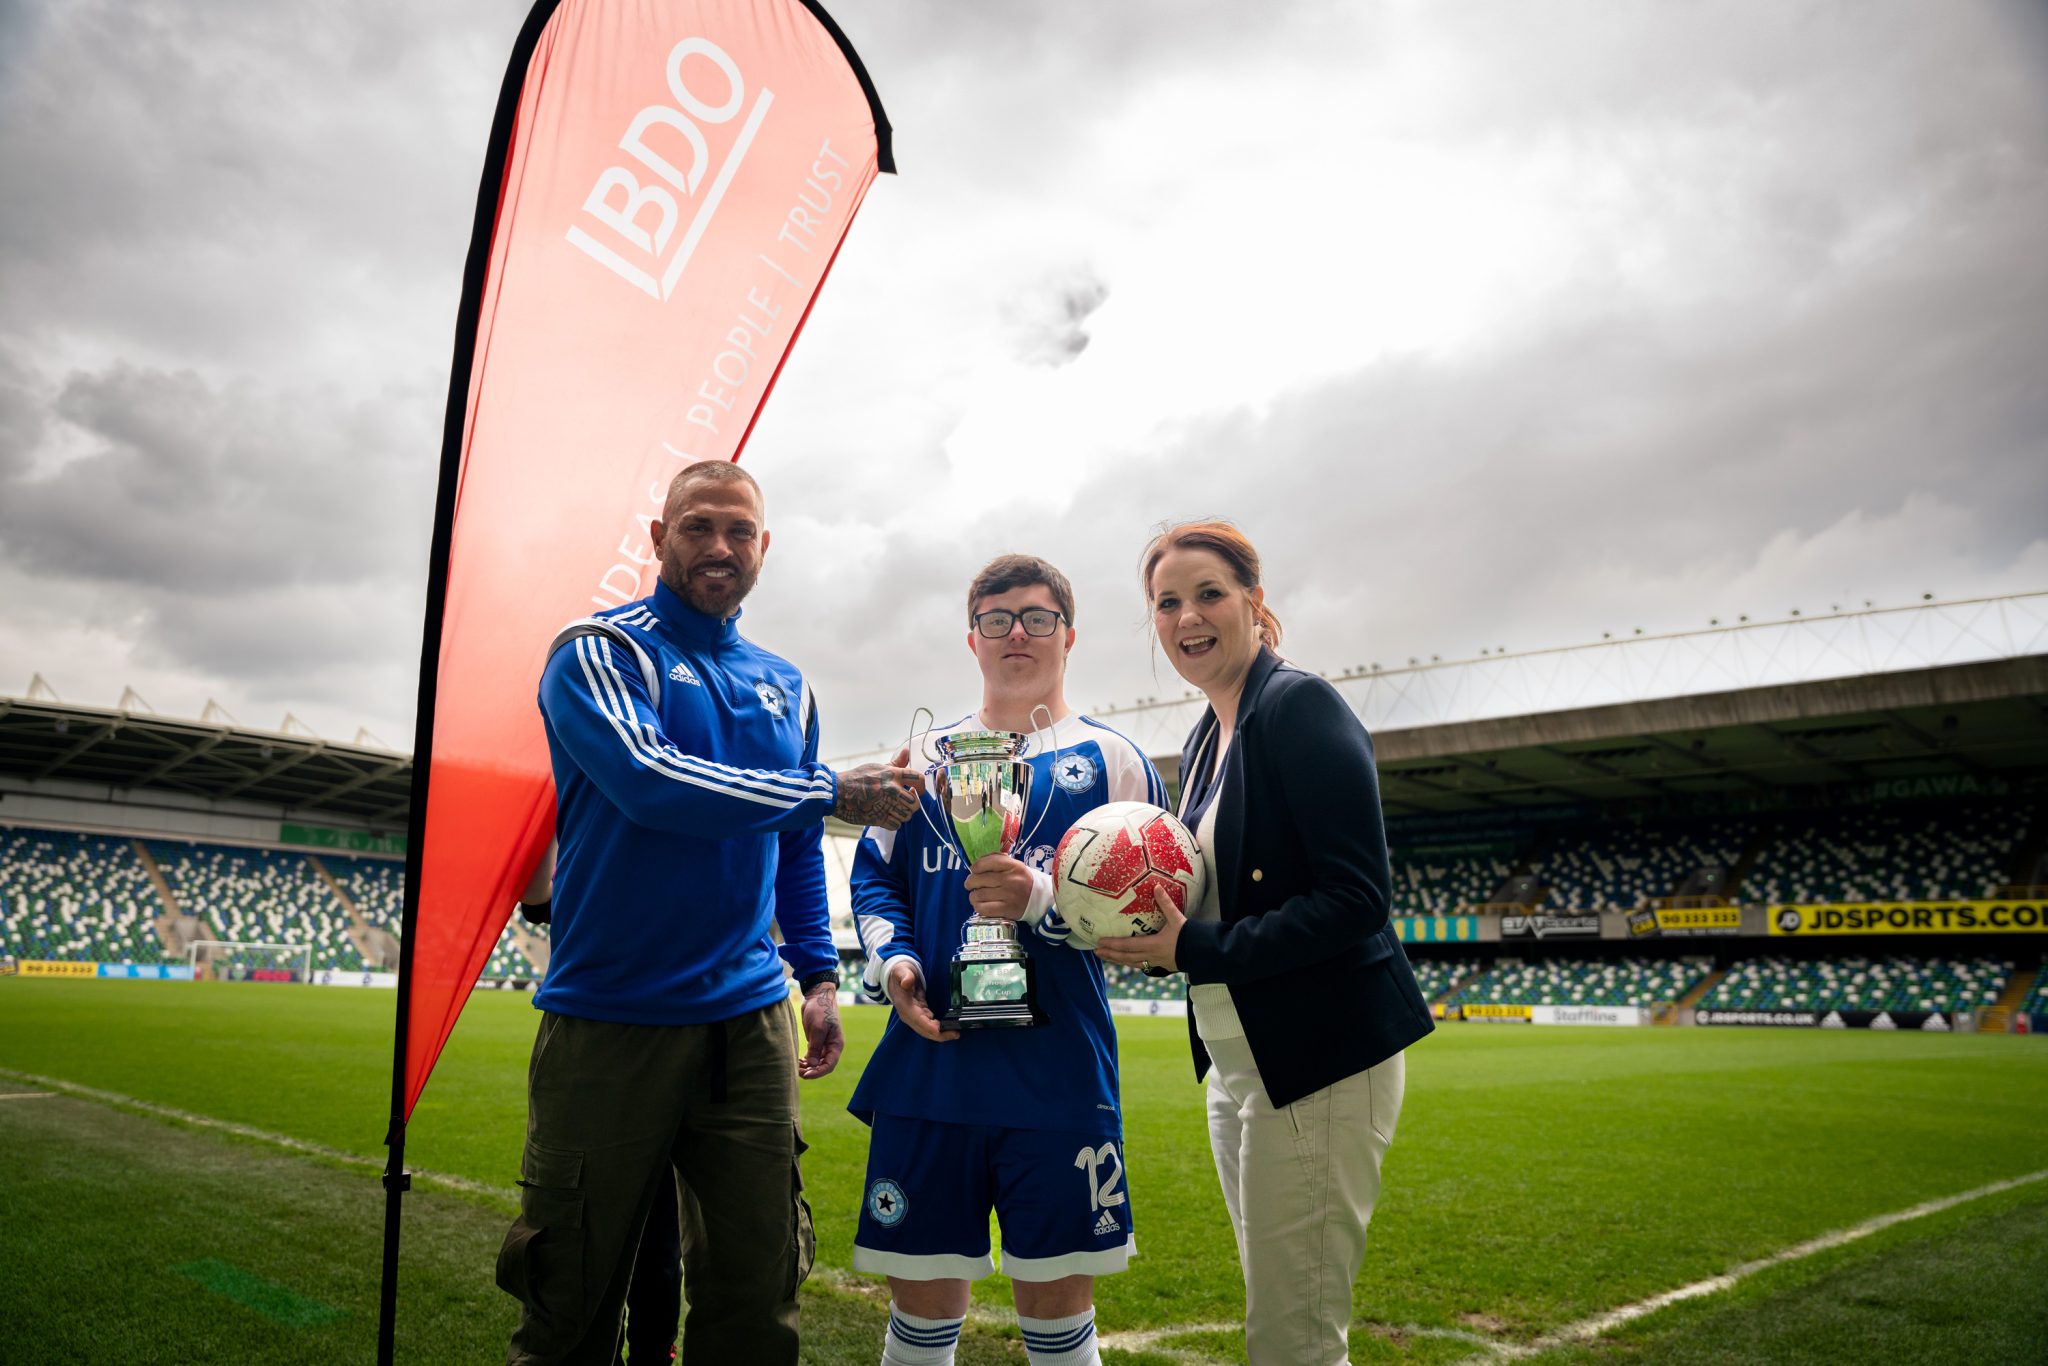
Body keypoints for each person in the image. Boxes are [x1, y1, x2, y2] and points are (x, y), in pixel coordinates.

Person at [496, 460, 923, 1366]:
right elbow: (650, 783)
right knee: (569, 1299)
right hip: (611, 1018)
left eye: (738, 531)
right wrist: (827, 788)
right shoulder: (600, 651)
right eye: (697, 527)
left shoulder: (788, 684)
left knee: (756, 1295)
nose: (719, 547)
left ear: (764, 548)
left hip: (747, 1025)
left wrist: (815, 976)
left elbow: (797, 846)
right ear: (659, 539)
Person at [1093, 521, 1434, 1365]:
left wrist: (1196, 951)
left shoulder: (1297, 706)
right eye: (1166, 603)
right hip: (1240, 1067)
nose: (1188, 617)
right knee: (1290, 1319)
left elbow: (1356, 900)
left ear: (1254, 601)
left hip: (1317, 1063)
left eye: (1209, 593)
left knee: (1293, 1339)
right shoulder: (1211, 732)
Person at [847, 554, 1166, 1366]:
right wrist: (896, 967)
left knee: (1059, 1320)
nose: (1016, 633)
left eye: (1036, 617)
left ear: (1069, 636)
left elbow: (1154, 923)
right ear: (972, 639)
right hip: (931, 1071)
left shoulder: (1115, 763)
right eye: (997, 619)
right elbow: (875, 881)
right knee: (918, 1316)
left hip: (1057, 1073)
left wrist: (1041, 901)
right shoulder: (921, 759)